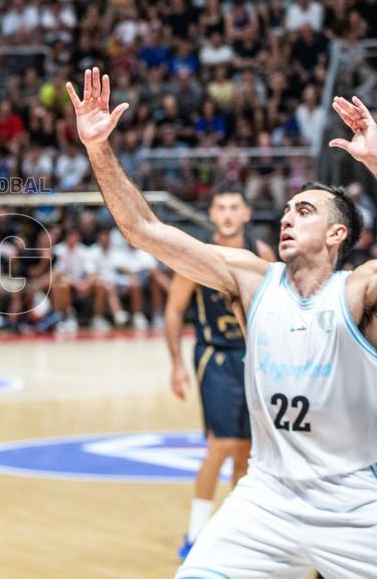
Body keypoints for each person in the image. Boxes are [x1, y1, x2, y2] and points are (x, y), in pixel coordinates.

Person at [66, 68, 377, 578]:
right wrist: (98, 147)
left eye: (304, 211)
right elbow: (144, 229)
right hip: (266, 497)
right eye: (286, 211)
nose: (287, 218)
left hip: (352, 502)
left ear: (338, 233)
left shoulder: (360, 290)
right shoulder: (252, 280)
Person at [163, 184, 275, 559]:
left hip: (253, 358)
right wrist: (177, 364)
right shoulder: (199, 256)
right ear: (211, 215)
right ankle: (195, 534)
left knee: (247, 453)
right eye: (220, 207)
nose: (227, 214)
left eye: (234, 207)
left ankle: (236, 534)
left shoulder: (261, 253)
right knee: (222, 445)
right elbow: (175, 310)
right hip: (215, 356)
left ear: (246, 214)